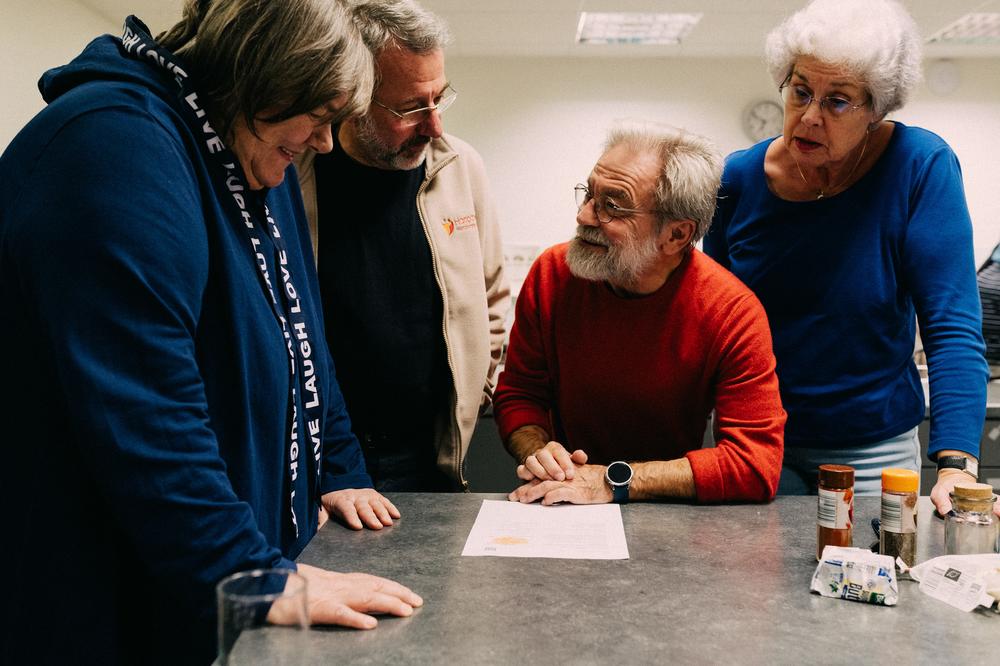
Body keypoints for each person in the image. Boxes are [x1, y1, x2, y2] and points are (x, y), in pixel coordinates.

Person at [0, 2, 422, 663]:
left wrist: (333, 466)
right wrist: (244, 571)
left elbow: (300, 332)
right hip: (101, 601)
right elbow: (143, 410)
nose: (325, 143)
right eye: (320, 115)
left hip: (212, 580)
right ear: (264, 80)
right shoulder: (112, 148)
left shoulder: (247, 150)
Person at [703, 0, 991, 515]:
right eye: (800, 92)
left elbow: (951, 325)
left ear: (876, 110)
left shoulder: (919, 168)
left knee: (872, 581)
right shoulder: (739, 179)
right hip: (758, 437)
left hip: (874, 447)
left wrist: (955, 462)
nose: (809, 116)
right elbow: (713, 324)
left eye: (837, 101)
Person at [496, 122, 786, 506]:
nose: (584, 216)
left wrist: (614, 480)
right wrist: (540, 451)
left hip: (669, 509)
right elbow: (519, 393)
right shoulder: (552, 274)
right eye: (589, 194)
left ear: (677, 235)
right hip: (562, 499)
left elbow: (755, 464)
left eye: (612, 206)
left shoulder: (731, 312)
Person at [296, 0, 509, 492]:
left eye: (440, 98)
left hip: (429, 454)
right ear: (352, 96)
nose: (434, 125)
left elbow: (492, 296)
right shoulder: (298, 173)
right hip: (320, 455)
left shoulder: (460, 167)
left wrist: (473, 392)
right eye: (411, 107)